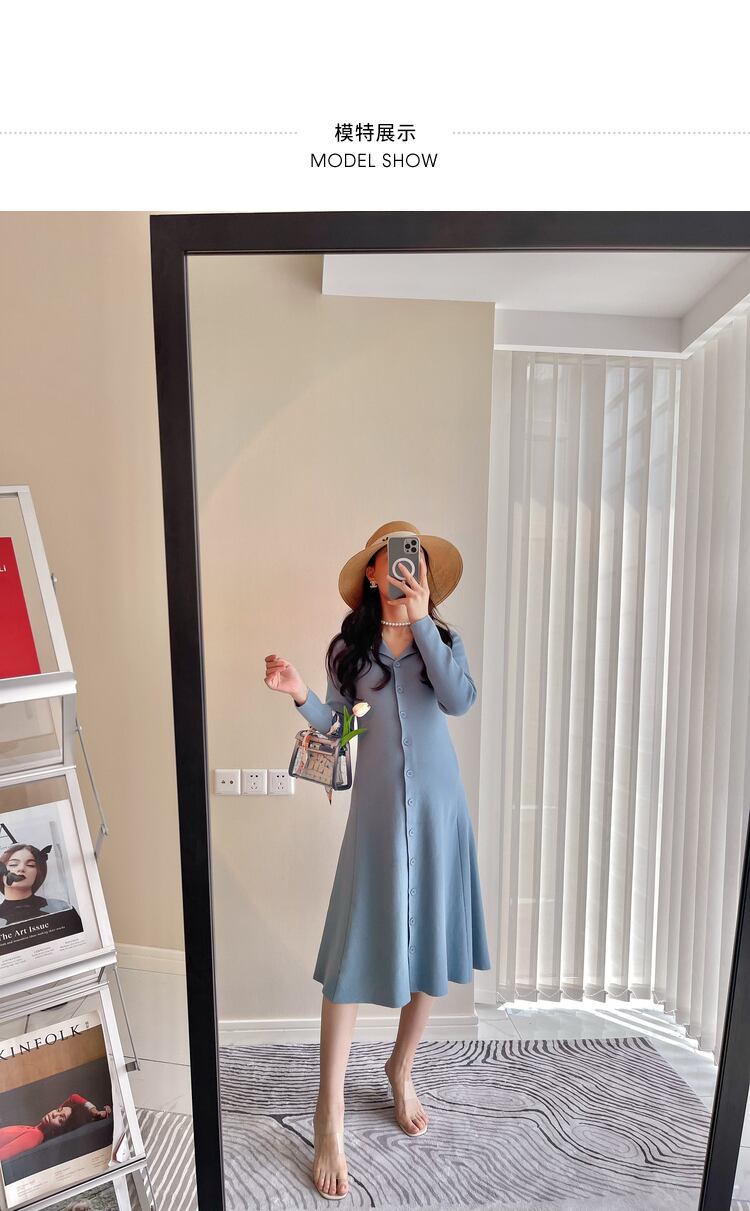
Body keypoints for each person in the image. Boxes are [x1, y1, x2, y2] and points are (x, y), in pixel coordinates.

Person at [264, 520, 491, 1200]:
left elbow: (459, 700)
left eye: (412, 558)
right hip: (377, 819)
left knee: (432, 945)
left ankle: (401, 1068)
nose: (401, 567)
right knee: (351, 957)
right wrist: (301, 693)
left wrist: (421, 623)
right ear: (371, 571)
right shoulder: (349, 648)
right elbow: (341, 729)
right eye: (390, 558)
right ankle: (328, 1111)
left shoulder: (441, 640)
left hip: (440, 813)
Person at [0, 1092, 112, 1160]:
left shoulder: (35, 1135)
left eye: (61, 1119)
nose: (54, 1114)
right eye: (58, 1110)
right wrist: (93, 1110)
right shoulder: (33, 1129)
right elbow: (73, 1097)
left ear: (60, 1129)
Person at [0, 842, 83, 932]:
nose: (21, 869)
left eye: (30, 865)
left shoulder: (60, 908)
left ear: (38, 872)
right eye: (13, 864)